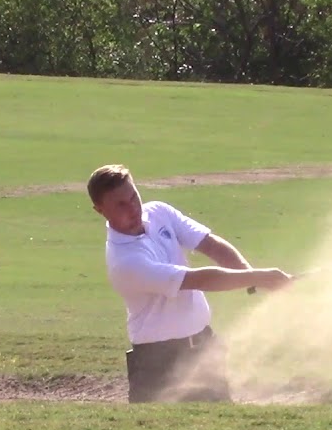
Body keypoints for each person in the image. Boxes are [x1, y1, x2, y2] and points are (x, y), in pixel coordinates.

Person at [86, 164, 293, 403]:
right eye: (120, 205)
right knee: (163, 428)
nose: (133, 208)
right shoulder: (124, 262)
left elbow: (210, 245)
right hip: (158, 365)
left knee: (221, 422)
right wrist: (262, 277)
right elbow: (198, 279)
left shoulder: (158, 212)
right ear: (100, 210)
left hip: (204, 349)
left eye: (133, 196)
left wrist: (251, 277)